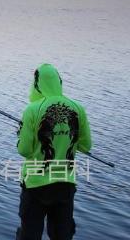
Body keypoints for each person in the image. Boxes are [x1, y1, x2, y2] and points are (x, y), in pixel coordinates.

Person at [16, 63, 92, 240]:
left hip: (35, 184)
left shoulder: (32, 110)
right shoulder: (78, 108)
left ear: (37, 84)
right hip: (65, 184)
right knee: (62, 235)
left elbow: (24, 150)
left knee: (30, 235)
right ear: (59, 82)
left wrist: (21, 133)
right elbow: (85, 146)